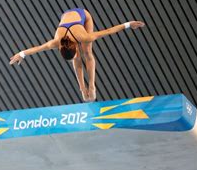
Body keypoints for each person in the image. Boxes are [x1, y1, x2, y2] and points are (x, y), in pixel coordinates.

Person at [9, 9, 145, 102]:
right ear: (60, 48)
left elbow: (108, 31)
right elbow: (37, 48)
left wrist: (128, 24)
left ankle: (91, 86)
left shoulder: (84, 37)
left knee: (87, 52)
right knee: (78, 57)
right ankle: (81, 88)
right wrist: (21, 54)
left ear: (74, 46)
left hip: (83, 16)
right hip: (66, 16)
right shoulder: (55, 42)